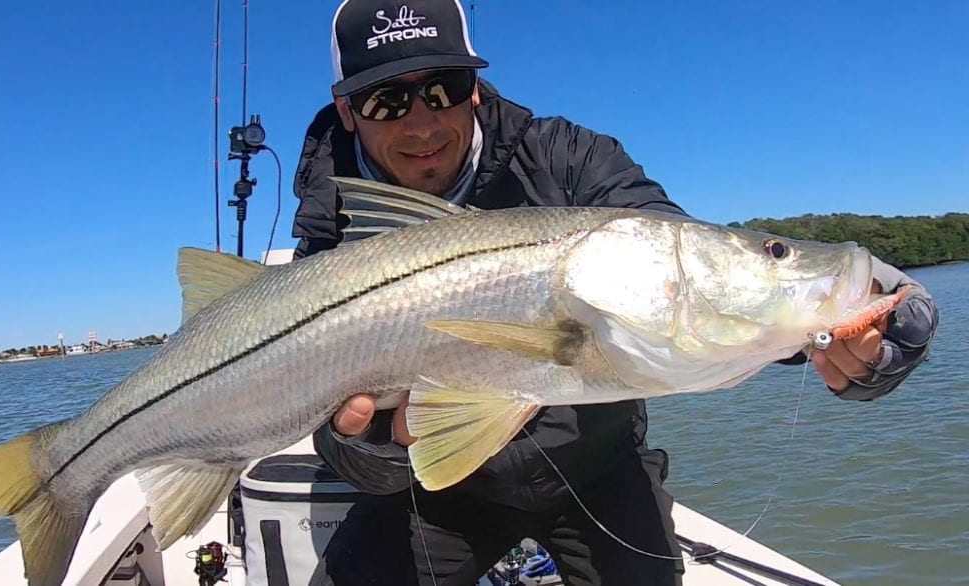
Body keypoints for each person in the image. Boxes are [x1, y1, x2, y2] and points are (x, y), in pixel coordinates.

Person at [288, 1, 939, 584]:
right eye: (385, 101)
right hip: (441, 493)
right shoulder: (329, 220)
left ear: (475, 90)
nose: (421, 124)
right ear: (346, 110)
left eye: (443, 89)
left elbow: (689, 267)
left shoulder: (568, 157)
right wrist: (379, 446)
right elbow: (328, 433)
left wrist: (878, 310)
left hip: (599, 466)